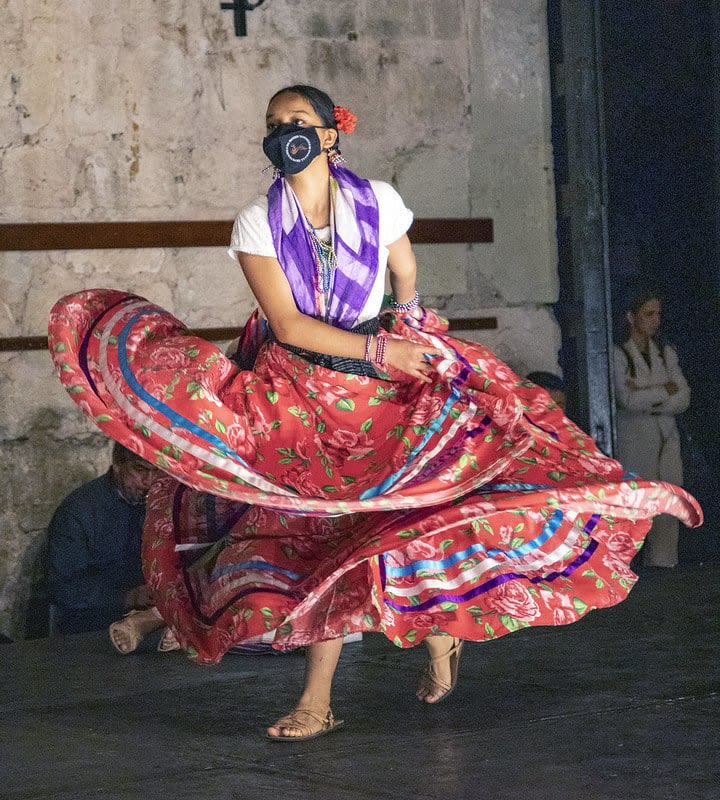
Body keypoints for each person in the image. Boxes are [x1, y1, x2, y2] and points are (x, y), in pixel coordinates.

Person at [48, 85, 701, 742]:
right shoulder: (256, 222)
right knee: (324, 539)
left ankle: (440, 632)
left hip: (379, 384)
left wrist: (410, 323)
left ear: (331, 134)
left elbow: (405, 268)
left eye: (297, 122)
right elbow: (288, 323)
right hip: (303, 394)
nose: (283, 134)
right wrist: (378, 347)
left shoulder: (378, 201)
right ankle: (319, 698)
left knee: (429, 507)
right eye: (273, 124)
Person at [47, 442, 159, 635]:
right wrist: (128, 597)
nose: (148, 482)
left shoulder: (156, 503)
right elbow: (63, 587)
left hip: (147, 616)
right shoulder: (79, 512)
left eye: (157, 472)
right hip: (92, 624)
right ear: (117, 465)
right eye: (139, 470)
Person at [613, 287, 690, 568]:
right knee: (635, 505)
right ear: (631, 317)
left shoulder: (666, 353)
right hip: (635, 439)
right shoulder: (618, 354)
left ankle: (664, 567)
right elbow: (626, 399)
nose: (655, 320)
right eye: (649, 314)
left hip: (666, 438)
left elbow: (683, 398)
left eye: (658, 314)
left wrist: (647, 394)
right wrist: (663, 391)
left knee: (669, 506)